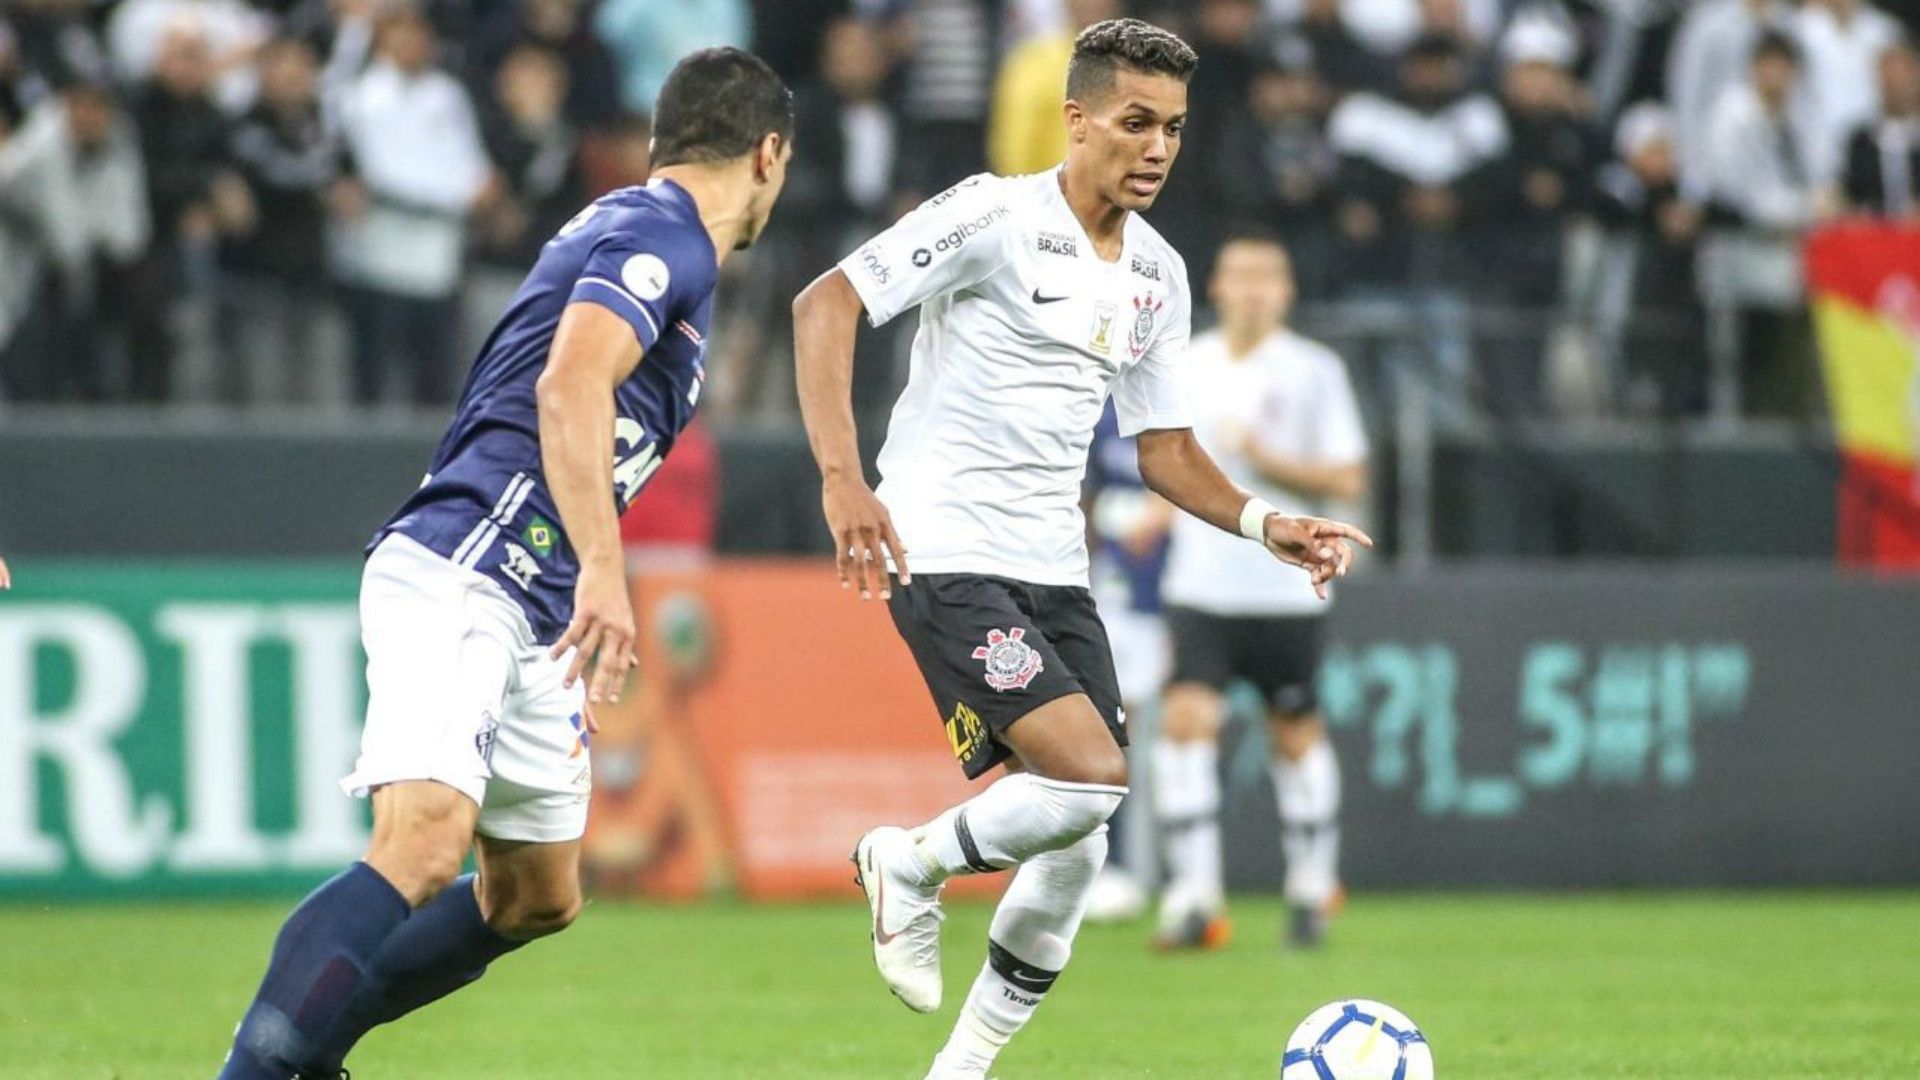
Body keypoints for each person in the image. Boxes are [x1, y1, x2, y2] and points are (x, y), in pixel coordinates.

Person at [792, 19, 1370, 1080]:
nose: (1157, 148)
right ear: (1076, 119)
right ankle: (907, 862)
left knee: (1082, 837)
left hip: (1055, 567)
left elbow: (1163, 449)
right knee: (1094, 777)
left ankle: (957, 1072)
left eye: (1175, 130)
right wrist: (844, 479)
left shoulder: (1158, 272)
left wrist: (1265, 521)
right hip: (944, 542)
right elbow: (825, 302)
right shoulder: (991, 215)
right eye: (1135, 122)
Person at [215, 46, 792, 1080]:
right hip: (473, 560)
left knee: (534, 895)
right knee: (426, 841)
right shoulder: (666, 235)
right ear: (769, 154)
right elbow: (569, 389)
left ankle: (311, 1053)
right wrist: (610, 575)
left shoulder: (640, 233)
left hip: (538, 600)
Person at [1151, 233, 1368, 952]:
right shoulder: (1186, 364)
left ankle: (1312, 887)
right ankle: (1195, 898)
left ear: (1287, 290)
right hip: (1202, 586)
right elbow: (1167, 466)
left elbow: (1349, 479)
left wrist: (1266, 460)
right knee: (1185, 724)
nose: (1252, 290)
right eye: (1239, 275)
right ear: (1214, 286)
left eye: (1266, 276)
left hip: (1284, 591)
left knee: (1295, 734)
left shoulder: (1315, 371)